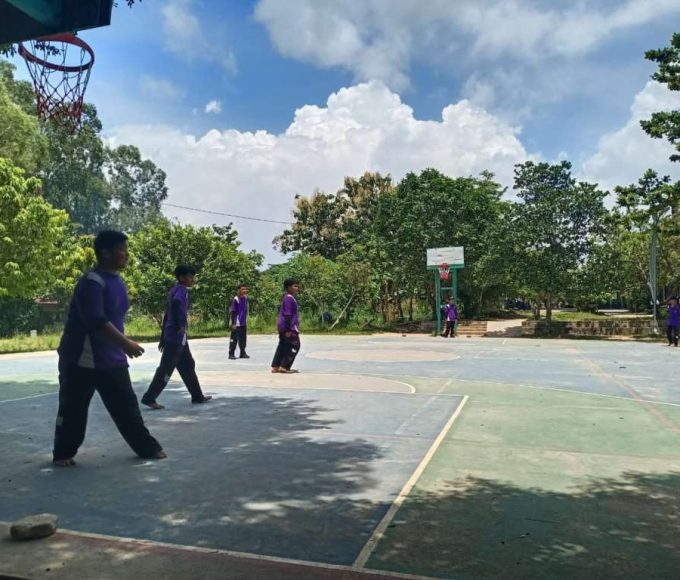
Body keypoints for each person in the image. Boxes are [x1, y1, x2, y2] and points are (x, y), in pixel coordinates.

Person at [53, 230, 166, 467]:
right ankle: (63, 453)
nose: (126, 255)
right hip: (82, 359)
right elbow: (96, 320)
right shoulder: (92, 282)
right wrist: (126, 344)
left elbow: (114, 318)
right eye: (122, 250)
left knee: (127, 406)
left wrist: (121, 345)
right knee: (73, 408)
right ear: (105, 253)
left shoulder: (117, 281)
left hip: (111, 357)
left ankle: (148, 448)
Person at [141, 265, 212, 409]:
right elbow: (176, 304)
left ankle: (197, 396)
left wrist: (162, 337)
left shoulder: (174, 289)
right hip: (176, 337)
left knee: (188, 365)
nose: (192, 279)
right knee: (166, 369)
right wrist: (180, 324)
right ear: (182, 277)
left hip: (175, 336)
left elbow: (167, 315)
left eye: (192, 277)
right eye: (190, 277)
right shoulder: (181, 290)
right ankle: (149, 398)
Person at [271, 278, 301, 374]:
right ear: (288, 287)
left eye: (297, 286)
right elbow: (288, 314)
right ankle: (284, 366)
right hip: (288, 326)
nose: (297, 288)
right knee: (295, 345)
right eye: (295, 286)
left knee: (283, 345)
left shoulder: (288, 297)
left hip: (283, 325)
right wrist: (288, 329)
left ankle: (276, 366)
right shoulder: (289, 298)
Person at [228, 284, 249, 360]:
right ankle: (231, 353)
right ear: (238, 290)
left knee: (243, 339)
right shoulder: (235, 299)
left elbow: (246, 309)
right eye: (243, 289)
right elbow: (233, 312)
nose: (244, 291)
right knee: (234, 339)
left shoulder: (246, 298)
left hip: (243, 322)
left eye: (245, 289)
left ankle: (242, 353)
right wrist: (233, 323)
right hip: (236, 323)